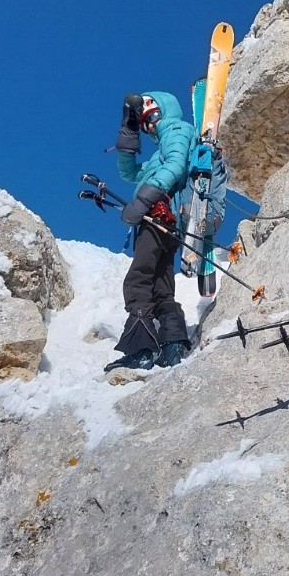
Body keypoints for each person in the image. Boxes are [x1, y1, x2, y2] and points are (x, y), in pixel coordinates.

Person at [105, 91, 194, 371]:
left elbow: (176, 166)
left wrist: (144, 199)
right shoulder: (160, 151)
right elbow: (129, 174)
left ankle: (141, 348)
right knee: (160, 283)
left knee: (138, 278)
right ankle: (173, 341)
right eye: (144, 123)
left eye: (153, 117)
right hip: (169, 221)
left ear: (166, 112)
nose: (151, 125)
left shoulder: (176, 130)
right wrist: (129, 134)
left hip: (159, 215)